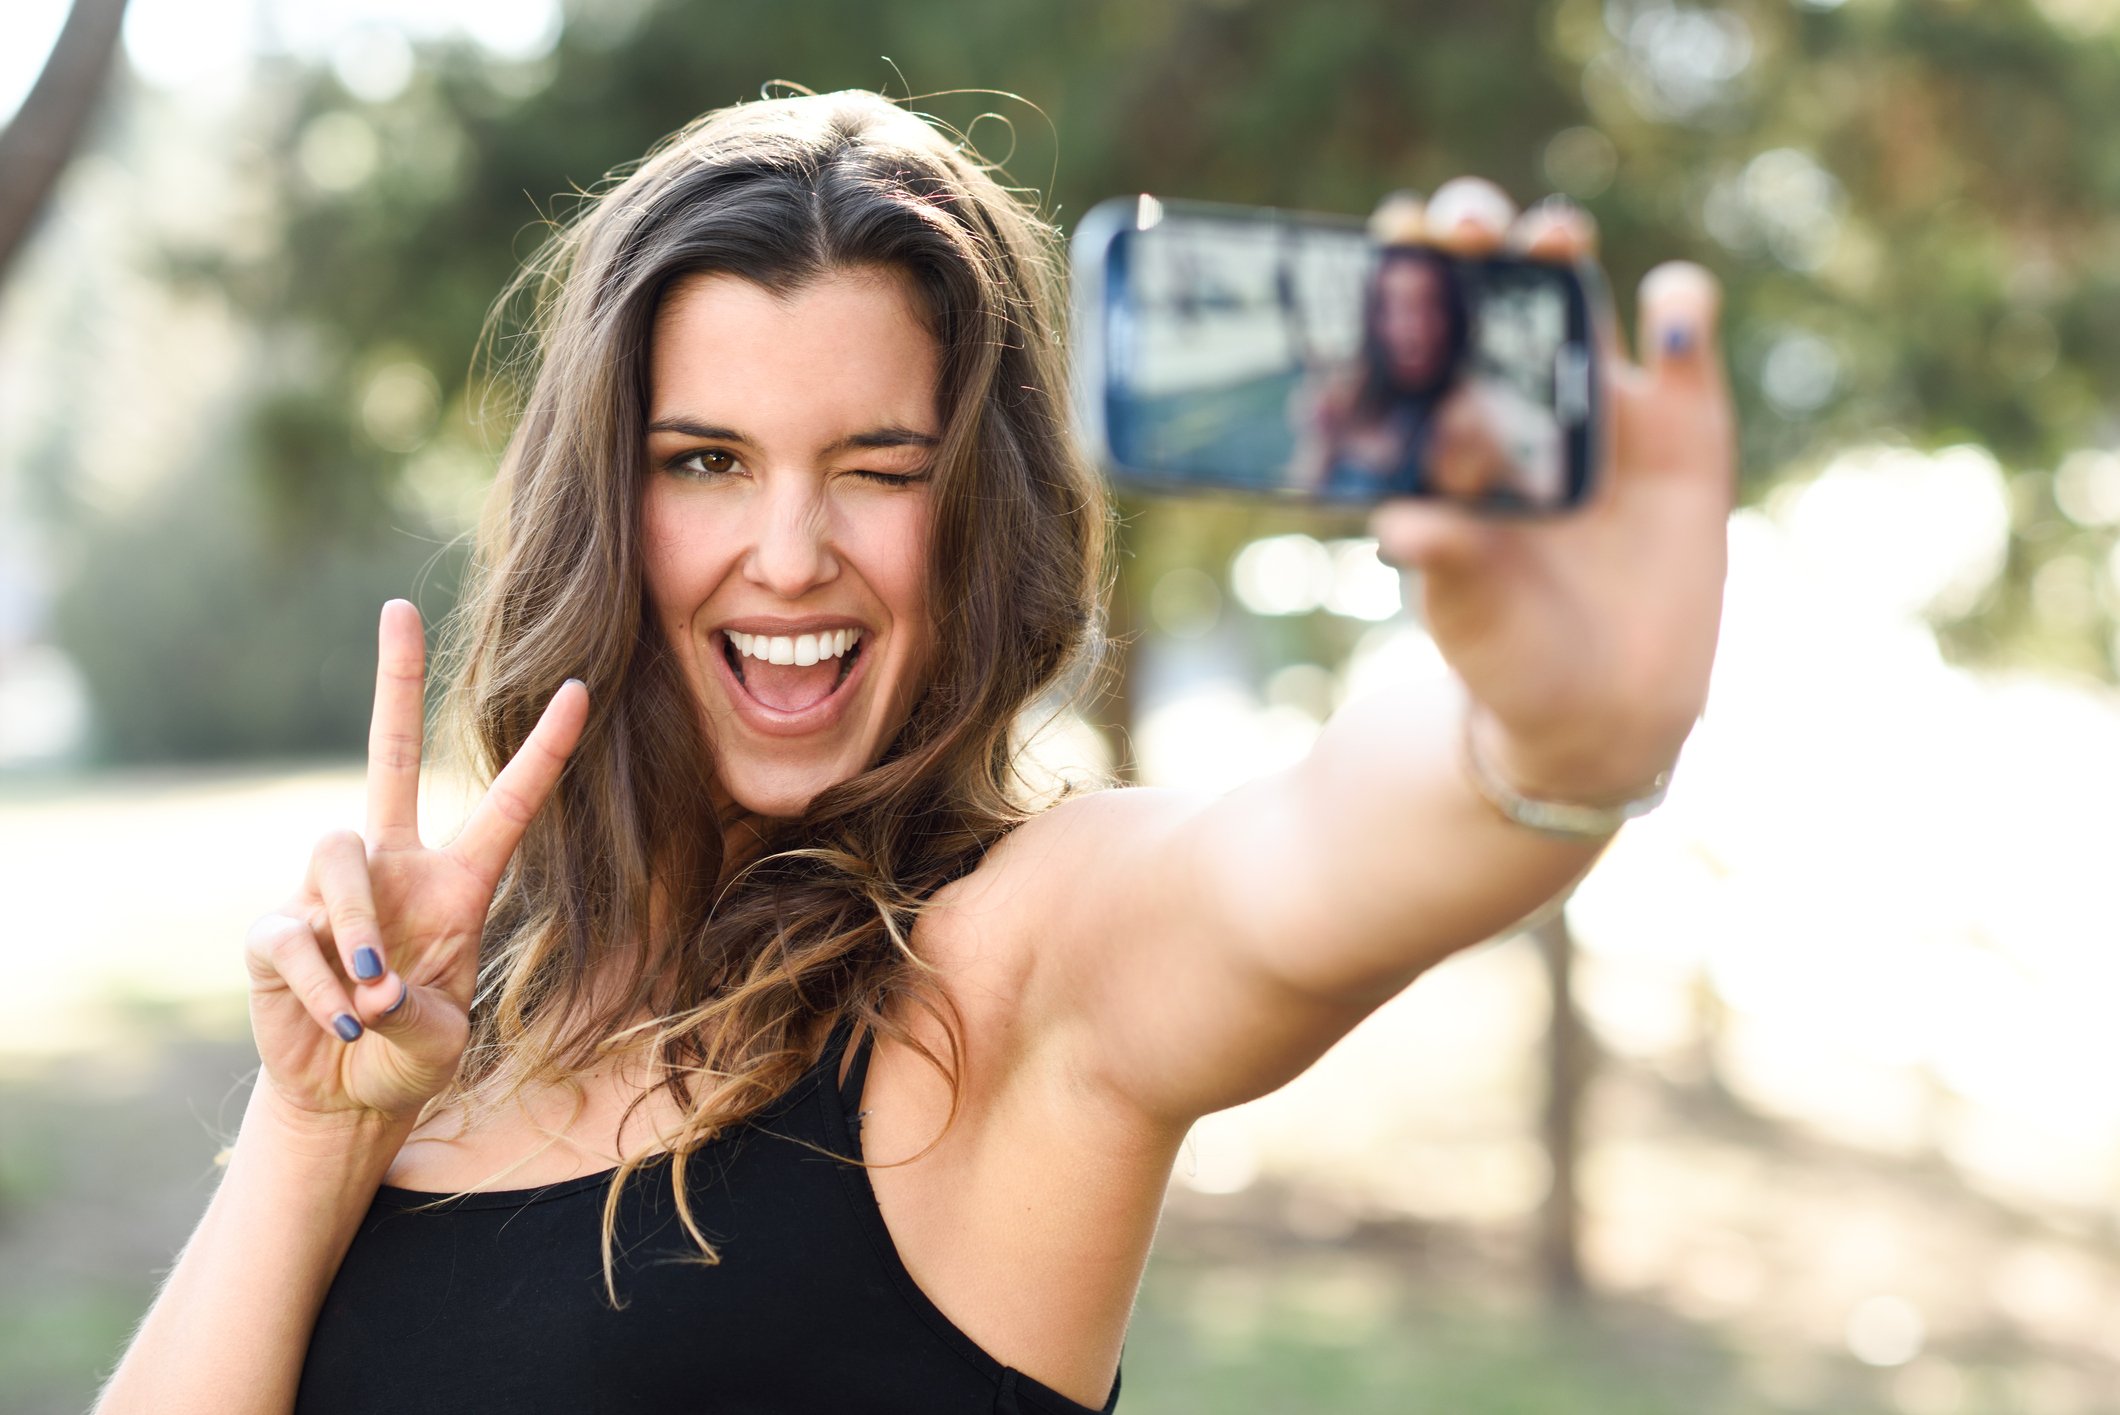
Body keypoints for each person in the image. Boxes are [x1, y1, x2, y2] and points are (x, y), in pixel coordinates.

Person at [93, 88, 1733, 1414]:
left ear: (976, 510)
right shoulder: (460, 1008)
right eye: (710, 460)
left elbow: (1301, 868)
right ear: (603, 494)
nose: (793, 554)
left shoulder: (1011, 964)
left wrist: (1558, 730)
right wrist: (314, 1131)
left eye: (879, 467)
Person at [1291, 240, 1471, 498]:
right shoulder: (1348, 393)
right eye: (1396, 308)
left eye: (1428, 306)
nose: (1413, 330)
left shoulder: (1467, 413)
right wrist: (1320, 438)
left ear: (1452, 316)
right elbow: (1302, 491)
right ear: (1375, 317)